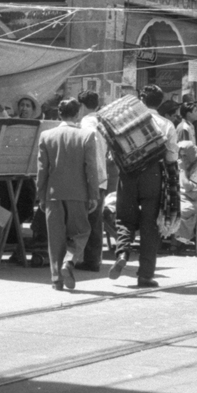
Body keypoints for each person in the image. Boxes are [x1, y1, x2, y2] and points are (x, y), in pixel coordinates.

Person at [109, 85, 178, 288]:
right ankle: (145, 275)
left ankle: (122, 252)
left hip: (129, 174)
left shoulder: (128, 121)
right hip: (153, 176)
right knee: (150, 224)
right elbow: (172, 156)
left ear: (140, 99)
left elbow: (113, 150)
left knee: (124, 216)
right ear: (160, 102)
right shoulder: (166, 124)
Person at [36, 98, 100, 291]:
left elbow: (41, 169)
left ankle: (56, 279)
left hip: (53, 194)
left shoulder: (46, 136)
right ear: (77, 114)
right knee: (81, 231)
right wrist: (94, 195)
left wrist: (40, 195)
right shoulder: (86, 136)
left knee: (55, 237)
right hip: (78, 194)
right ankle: (69, 260)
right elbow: (91, 169)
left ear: (59, 114)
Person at [76, 90, 111, 271]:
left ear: (81, 105)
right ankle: (93, 259)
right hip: (101, 176)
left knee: (84, 220)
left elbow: (88, 153)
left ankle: (86, 259)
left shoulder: (85, 124)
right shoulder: (102, 123)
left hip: (88, 177)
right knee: (95, 220)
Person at [173, 140, 197, 250]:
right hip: (180, 195)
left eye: (185, 155)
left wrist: (182, 170)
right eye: (181, 155)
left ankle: (182, 239)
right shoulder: (182, 164)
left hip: (193, 199)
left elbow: (188, 187)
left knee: (182, 211)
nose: (183, 158)